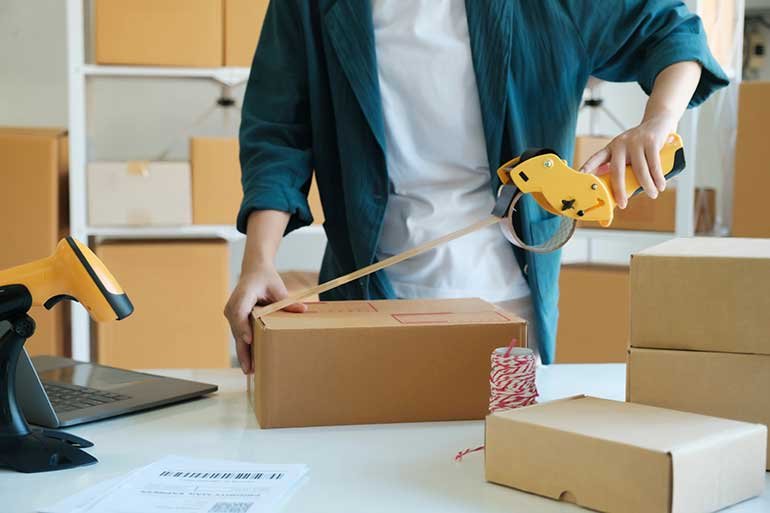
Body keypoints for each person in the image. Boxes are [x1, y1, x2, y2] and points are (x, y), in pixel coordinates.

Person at [225, 0, 727, 373]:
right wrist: (259, 261)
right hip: (363, 304)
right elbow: (277, 128)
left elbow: (673, 32)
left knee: (499, 477)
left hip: (506, 310)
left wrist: (657, 122)